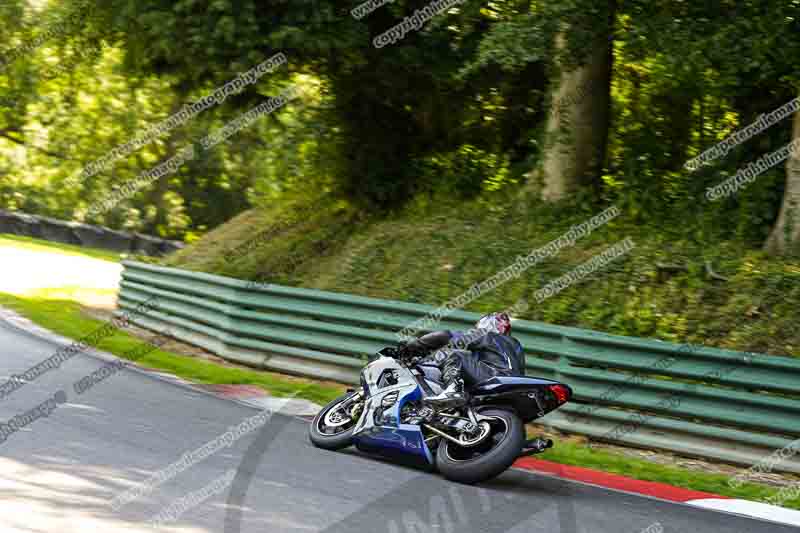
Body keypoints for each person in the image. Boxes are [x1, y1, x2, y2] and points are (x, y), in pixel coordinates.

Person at [400, 312, 525, 408]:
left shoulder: (488, 336)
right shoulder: (516, 346)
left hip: (494, 377)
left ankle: (452, 391)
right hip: (513, 387)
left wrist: (416, 346)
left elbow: (448, 336)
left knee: (457, 356)